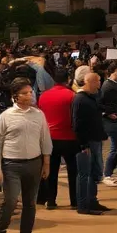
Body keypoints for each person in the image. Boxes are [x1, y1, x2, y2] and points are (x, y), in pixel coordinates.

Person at [0, 77, 50, 233]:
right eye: (25, 93)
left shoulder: (39, 115)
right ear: (15, 96)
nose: (29, 95)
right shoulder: (6, 116)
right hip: (11, 164)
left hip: (34, 163)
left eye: (30, 92)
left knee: (30, 202)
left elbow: (45, 139)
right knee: (10, 201)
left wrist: (46, 162)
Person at [37, 68, 79, 210]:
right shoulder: (72, 95)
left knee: (51, 170)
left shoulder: (43, 96)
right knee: (73, 170)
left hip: (50, 138)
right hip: (69, 137)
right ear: (68, 80)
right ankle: (75, 200)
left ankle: (51, 200)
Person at [72, 66, 109, 215]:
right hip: (86, 143)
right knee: (84, 174)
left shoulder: (91, 97)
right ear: (89, 82)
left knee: (94, 173)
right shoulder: (80, 99)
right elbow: (77, 124)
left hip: (95, 140)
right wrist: (83, 144)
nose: (99, 84)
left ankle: (93, 201)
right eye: (98, 81)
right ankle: (83, 205)